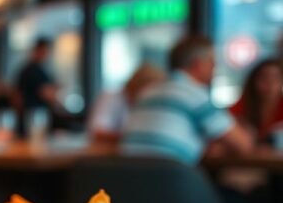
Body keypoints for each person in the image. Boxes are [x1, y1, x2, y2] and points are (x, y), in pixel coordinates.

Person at [122, 35, 254, 164]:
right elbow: (242, 145)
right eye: (212, 62)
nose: (215, 68)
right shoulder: (194, 93)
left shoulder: (149, 92)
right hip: (168, 173)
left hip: (129, 172)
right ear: (198, 64)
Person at [87, 64, 165, 142]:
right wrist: (135, 137)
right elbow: (98, 132)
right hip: (106, 148)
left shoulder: (145, 105)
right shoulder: (112, 98)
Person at [230, 59, 283, 144]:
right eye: (265, 78)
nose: (270, 83)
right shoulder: (243, 105)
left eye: (276, 78)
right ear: (254, 81)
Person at [14, 38, 59, 136]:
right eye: (45, 51)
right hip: (37, 116)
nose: (47, 55)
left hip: (26, 115)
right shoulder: (36, 71)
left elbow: (17, 96)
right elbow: (47, 94)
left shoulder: (25, 69)